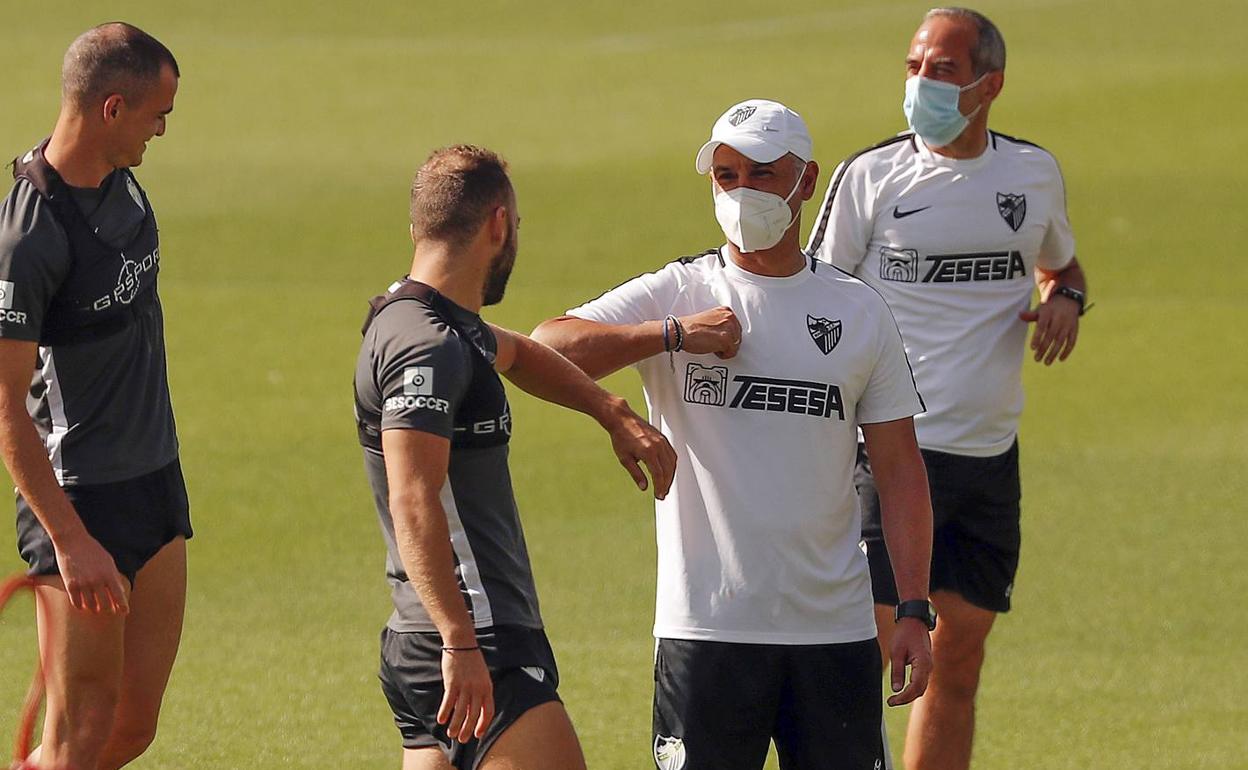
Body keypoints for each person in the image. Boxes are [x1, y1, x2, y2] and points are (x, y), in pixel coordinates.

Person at [532, 100, 936, 770]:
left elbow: (899, 472)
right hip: (707, 630)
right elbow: (547, 345)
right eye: (725, 175)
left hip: (832, 632)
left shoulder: (858, 310)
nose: (741, 191)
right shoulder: (679, 292)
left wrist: (915, 609)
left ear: (806, 183)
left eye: (761, 174)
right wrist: (673, 335)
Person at [805, 8, 1089, 770]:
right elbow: (810, 296)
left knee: (955, 666)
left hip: (989, 461)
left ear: (990, 85)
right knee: (862, 666)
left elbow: (1061, 265)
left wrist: (1065, 299)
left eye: (943, 70)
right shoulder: (871, 176)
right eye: (914, 66)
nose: (921, 82)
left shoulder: (1031, 174)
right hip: (891, 458)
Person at [354, 144, 676, 770]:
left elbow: (522, 355)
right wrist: (461, 642)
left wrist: (610, 412)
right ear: (498, 224)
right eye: (518, 227)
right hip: (475, 638)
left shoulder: (426, 321)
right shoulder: (429, 347)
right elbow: (413, 496)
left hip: (428, 636)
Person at [0, 22, 186, 770]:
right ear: (112, 108)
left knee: (130, 728)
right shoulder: (29, 235)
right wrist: (71, 541)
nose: (161, 132)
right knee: (75, 743)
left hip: (154, 481)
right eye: (156, 116)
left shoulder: (120, 178)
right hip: (82, 498)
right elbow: (7, 405)